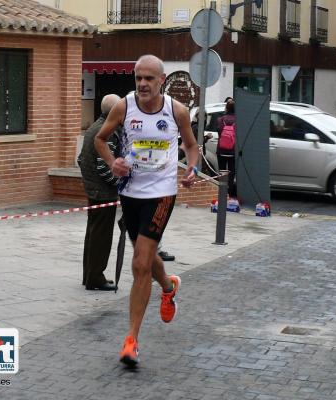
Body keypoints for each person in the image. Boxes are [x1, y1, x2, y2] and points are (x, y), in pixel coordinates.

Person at [94, 54, 199, 367]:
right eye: (138, 78)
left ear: (161, 80)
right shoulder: (123, 107)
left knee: (140, 263)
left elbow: (191, 146)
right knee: (145, 255)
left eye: (149, 78)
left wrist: (191, 169)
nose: (142, 84)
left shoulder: (175, 110)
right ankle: (168, 286)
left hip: (162, 193)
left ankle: (131, 340)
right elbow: (100, 139)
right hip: (130, 192)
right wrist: (113, 161)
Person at [78, 94, 122, 291]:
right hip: (103, 193)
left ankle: (89, 275)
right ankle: (96, 277)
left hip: (93, 189)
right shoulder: (108, 132)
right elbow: (105, 168)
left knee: (93, 234)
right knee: (101, 238)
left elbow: (81, 159)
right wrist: (120, 184)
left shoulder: (92, 128)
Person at [216, 100, 237, 197]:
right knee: (232, 173)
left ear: (226, 108)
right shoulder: (238, 120)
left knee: (222, 172)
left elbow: (219, 132)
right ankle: (230, 193)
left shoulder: (220, 119)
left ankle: (222, 194)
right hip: (233, 150)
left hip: (221, 150)